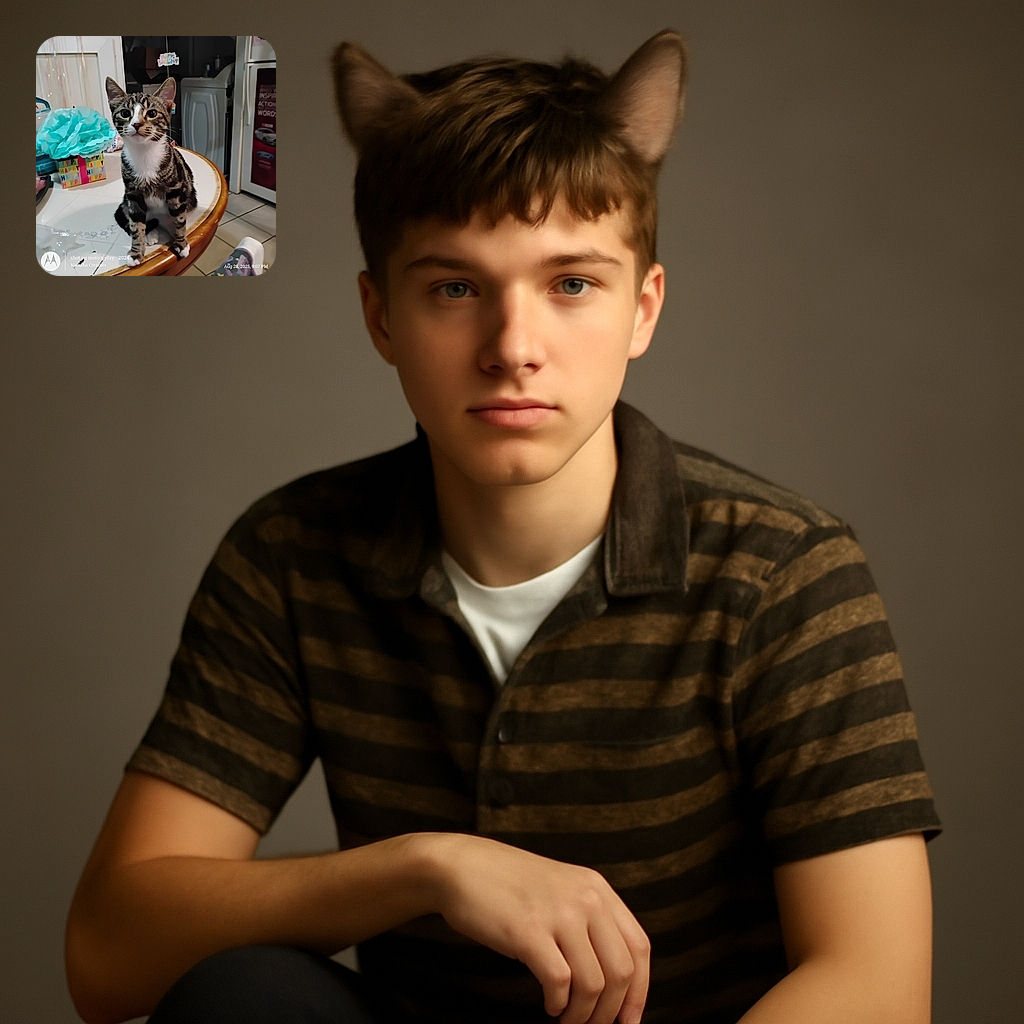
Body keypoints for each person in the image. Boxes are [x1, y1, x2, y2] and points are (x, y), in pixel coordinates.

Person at [65, 29, 941, 1024]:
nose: (513, 347)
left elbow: (875, 986)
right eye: (454, 288)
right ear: (382, 317)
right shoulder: (293, 557)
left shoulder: (785, 569)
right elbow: (108, 952)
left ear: (642, 310)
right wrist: (427, 868)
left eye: (571, 284)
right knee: (247, 995)